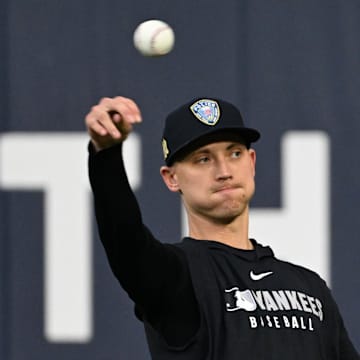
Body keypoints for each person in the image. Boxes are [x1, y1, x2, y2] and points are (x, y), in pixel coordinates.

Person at [86, 96, 359, 359]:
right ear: (172, 178)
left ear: (251, 162)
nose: (224, 170)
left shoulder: (310, 288)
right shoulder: (176, 279)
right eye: (203, 159)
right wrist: (106, 154)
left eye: (235, 153)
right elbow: (123, 236)